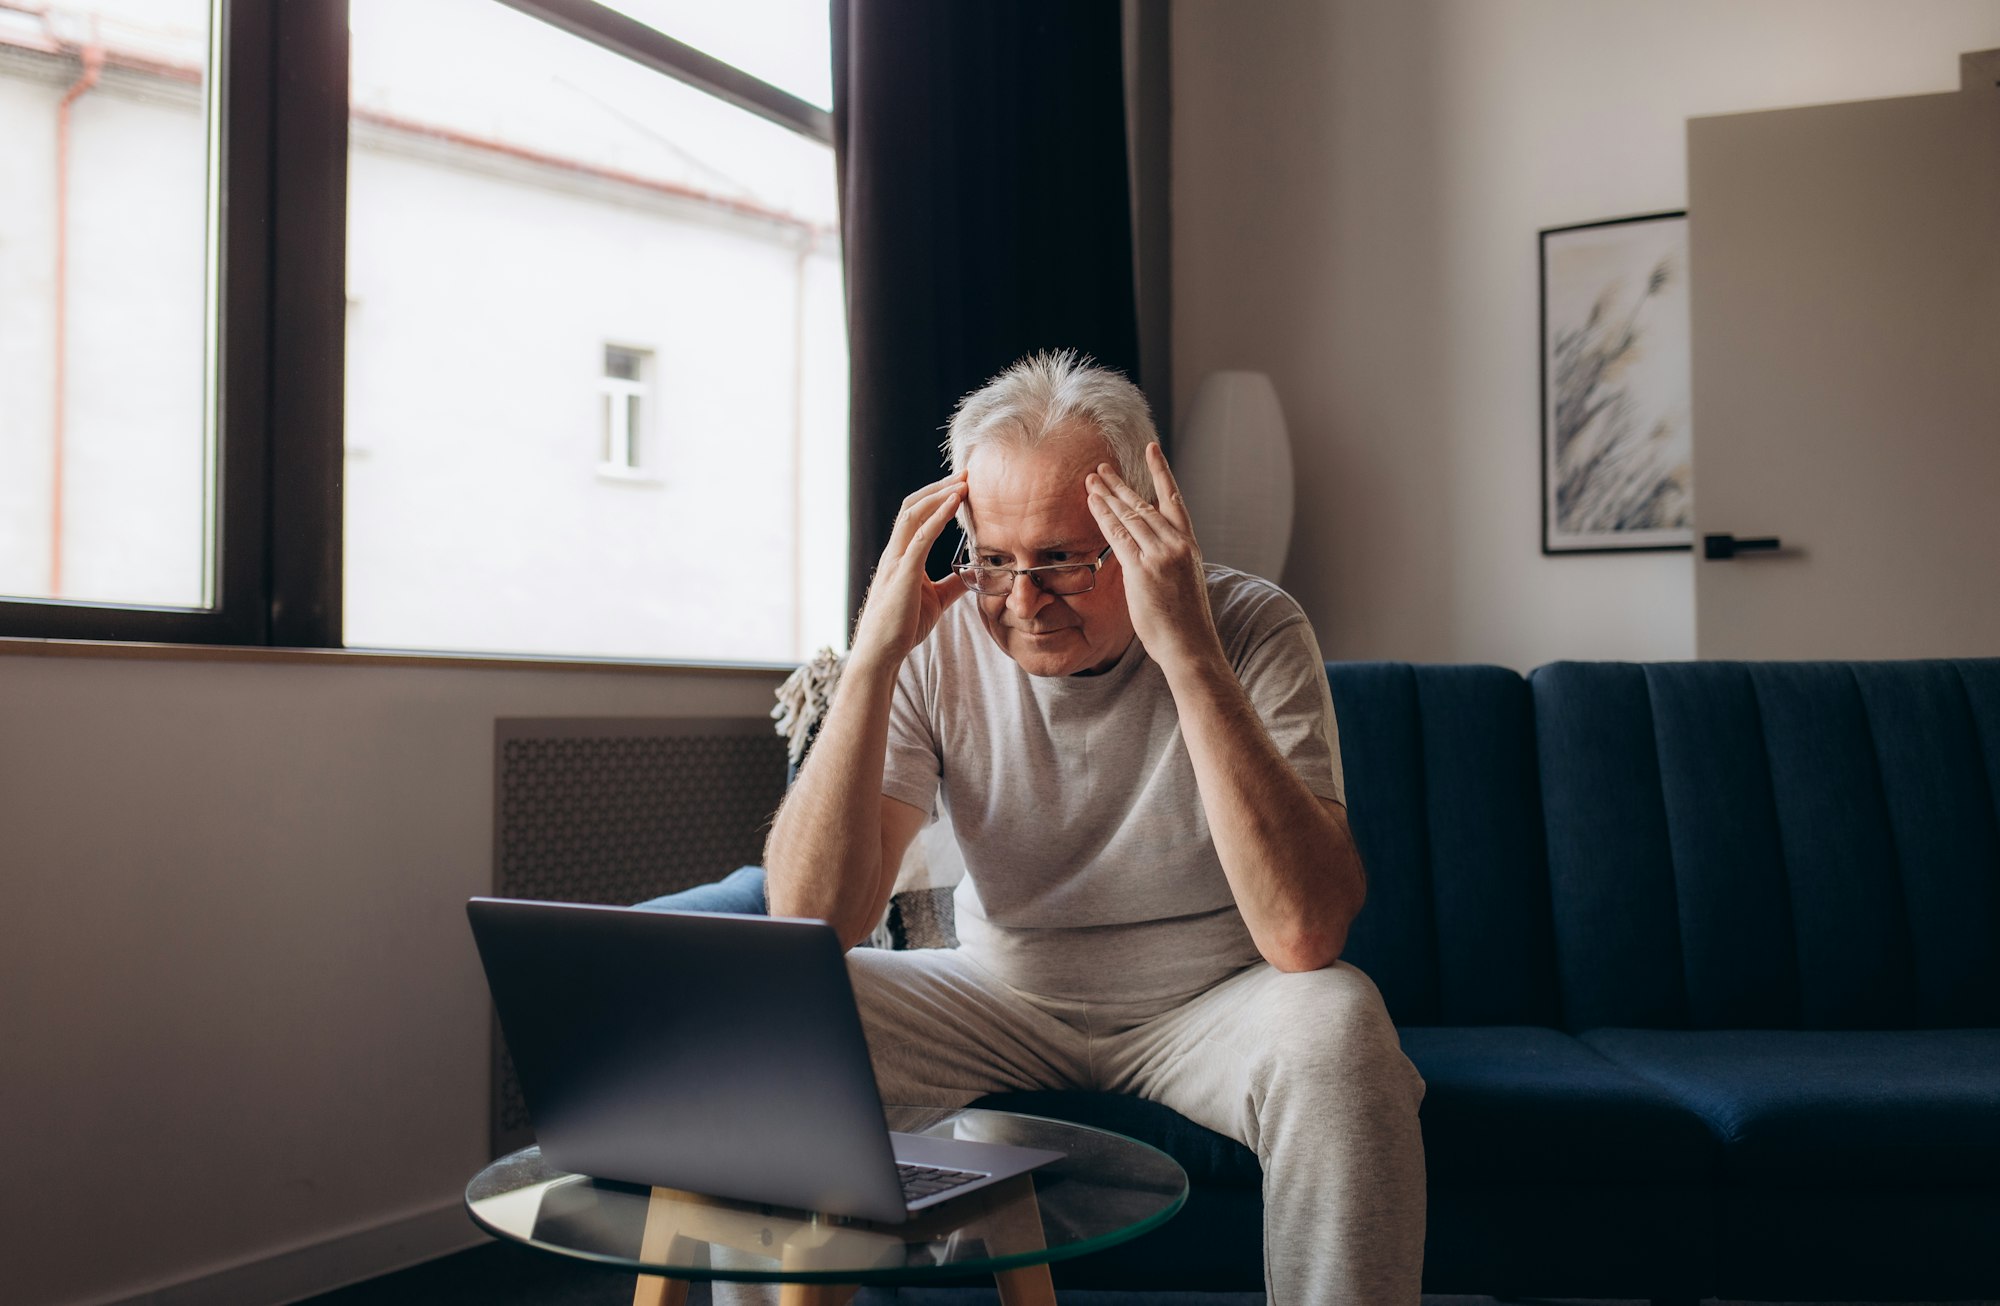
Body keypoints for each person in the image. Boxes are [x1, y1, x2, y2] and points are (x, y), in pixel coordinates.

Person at [764, 351, 1425, 1305]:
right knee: (780, 1018)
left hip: (1207, 1004)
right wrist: (872, 658)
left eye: (1063, 561)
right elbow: (810, 923)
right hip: (1000, 992)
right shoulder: (937, 640)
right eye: (994, 560)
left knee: (1341, 1028)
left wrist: (1186, 645)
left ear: (1140, 526)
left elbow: (1302, 934)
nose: (1024, 603)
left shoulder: (1252, 625)